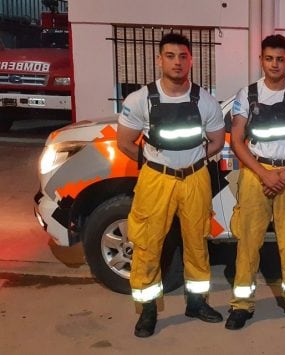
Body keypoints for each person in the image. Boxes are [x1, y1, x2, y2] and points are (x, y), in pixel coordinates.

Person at [117, 33, 225, 338]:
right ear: (159, 59)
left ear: (191, 60)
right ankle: (148, 311)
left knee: (197, 242)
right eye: (170, 56)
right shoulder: (139, 99)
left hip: (195, 179)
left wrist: (191, 159)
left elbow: (217, 140)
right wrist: (157, 162)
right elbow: (124, 142)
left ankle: (196, 303)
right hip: (156, 180)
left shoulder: (204, 99)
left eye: (182, 56)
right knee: (147, 245)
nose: (177, 62)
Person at [225, 34, 285, 330]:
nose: (275, 64)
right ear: (261, 60)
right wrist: (263, 174)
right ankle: (241, 306)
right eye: (269, 58)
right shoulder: (246, 95)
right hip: (256, 174)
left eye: (280, 59)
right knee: (248, 242)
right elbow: (237, 140)